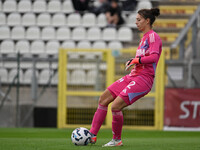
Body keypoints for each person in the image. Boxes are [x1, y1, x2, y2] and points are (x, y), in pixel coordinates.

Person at [89, 8, 162, 147]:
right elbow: (143, 58)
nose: (136, 23)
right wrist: (135, 60)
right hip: (133, 76)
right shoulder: (144, 38)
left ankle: (116, 140)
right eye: (136, 20)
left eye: (138, 20)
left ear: (147, 21)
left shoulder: (153, 36)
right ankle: (91, 136)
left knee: (115, 106)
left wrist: (135, 60)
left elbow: (153, 57)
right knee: (104, 98)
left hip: (144, 79)